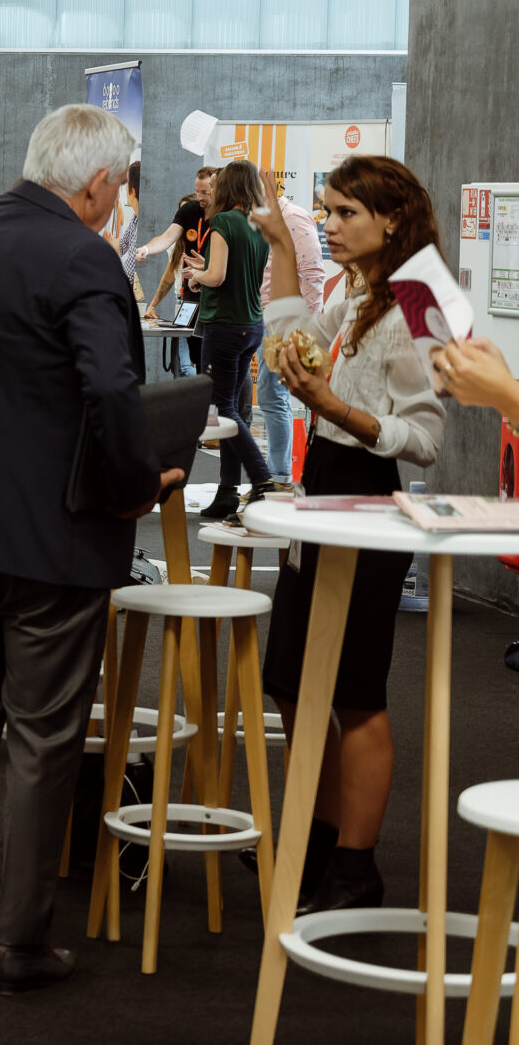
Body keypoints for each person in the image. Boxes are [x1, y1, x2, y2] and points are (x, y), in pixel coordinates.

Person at [0, 104, 184, 994]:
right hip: (50, 535)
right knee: (41, 736)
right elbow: (110, 389)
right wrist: (138, 485)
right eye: (121, 184)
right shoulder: (85, 255)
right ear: (99, 182)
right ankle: (20, 939)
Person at [251, 154, 445, 914]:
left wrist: (335, 409)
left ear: (392, 220)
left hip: (369, 501)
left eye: (344, 213)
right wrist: (279, 246)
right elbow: (295, 341)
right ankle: (318, 838)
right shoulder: (351, 287)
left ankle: (356, 866)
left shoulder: (419, 298)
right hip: (323, 491)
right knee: (293, 681)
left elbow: (425, 439)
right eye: (325, 211)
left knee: (357, 692)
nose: (328, 225)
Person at [186, 159, 274, 520]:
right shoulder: (258, 225)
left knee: (223, 410)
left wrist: (197, 276)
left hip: (223, 326)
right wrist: (204, 270)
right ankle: (227, 491)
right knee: (232, 410)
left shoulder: (223, 222)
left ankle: (262, 479)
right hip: (251, 325)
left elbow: (218, 276)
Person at [253, 178, 326, 494]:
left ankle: (279, 476)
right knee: (269, 393)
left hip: (283, 321)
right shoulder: (263, 221)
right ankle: (276, 476)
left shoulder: (293, 217)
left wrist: (303, 329)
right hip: (264, 316)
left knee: (274, 393)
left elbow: (313, 274)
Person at [140, 165, 218, 374]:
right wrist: (146, 249)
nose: (200, 197)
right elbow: (167, 238)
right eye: (197, 191)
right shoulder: (190, 211)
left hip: (216, 301)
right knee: (195, 361)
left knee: (216, 364)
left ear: (216, 188)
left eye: (205, 192)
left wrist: (206, 269)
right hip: (190, 300)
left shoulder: (226, 217)